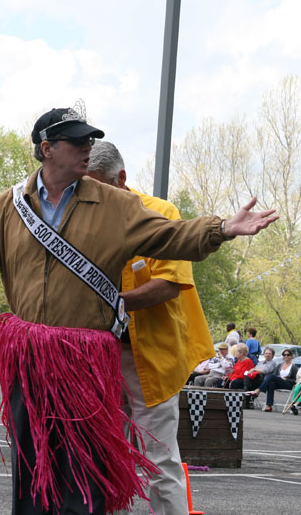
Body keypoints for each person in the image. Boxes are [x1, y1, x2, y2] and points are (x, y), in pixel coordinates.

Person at [0, 105, 277, 514]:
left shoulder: (114, 205)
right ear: (47, 148)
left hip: (86, 360)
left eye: (90, 139)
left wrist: (222, 229)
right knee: (33, 461)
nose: (89, 147)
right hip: (31, 355)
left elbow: (169, 235)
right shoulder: (8, 208)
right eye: (78, 140)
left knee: (84, 468)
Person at [88, 140, 215, 513]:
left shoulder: (160, 213)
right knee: (105, 455)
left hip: (152, 357)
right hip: (100, 355)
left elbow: (168, 285)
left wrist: (107, 304)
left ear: (122, 178)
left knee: (158, 459)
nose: (89, 195)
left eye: (98, 186)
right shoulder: (82, 218)